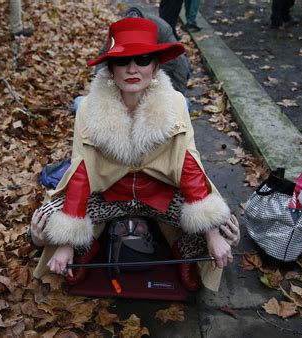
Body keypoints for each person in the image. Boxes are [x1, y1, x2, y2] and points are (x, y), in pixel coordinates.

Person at [30, 18, 240, 292]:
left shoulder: (175, 103)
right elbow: (80, 170)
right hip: (107, 196)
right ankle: (83, 248)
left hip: (161, 195)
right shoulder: (88, 109)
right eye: (122, 60)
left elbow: (188, 162)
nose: (132, 69)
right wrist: (66, 240)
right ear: (110, 67)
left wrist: (212, 232)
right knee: (44, 221)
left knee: (223, 225)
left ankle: (185, 253)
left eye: (143, 59)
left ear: (154, 66)